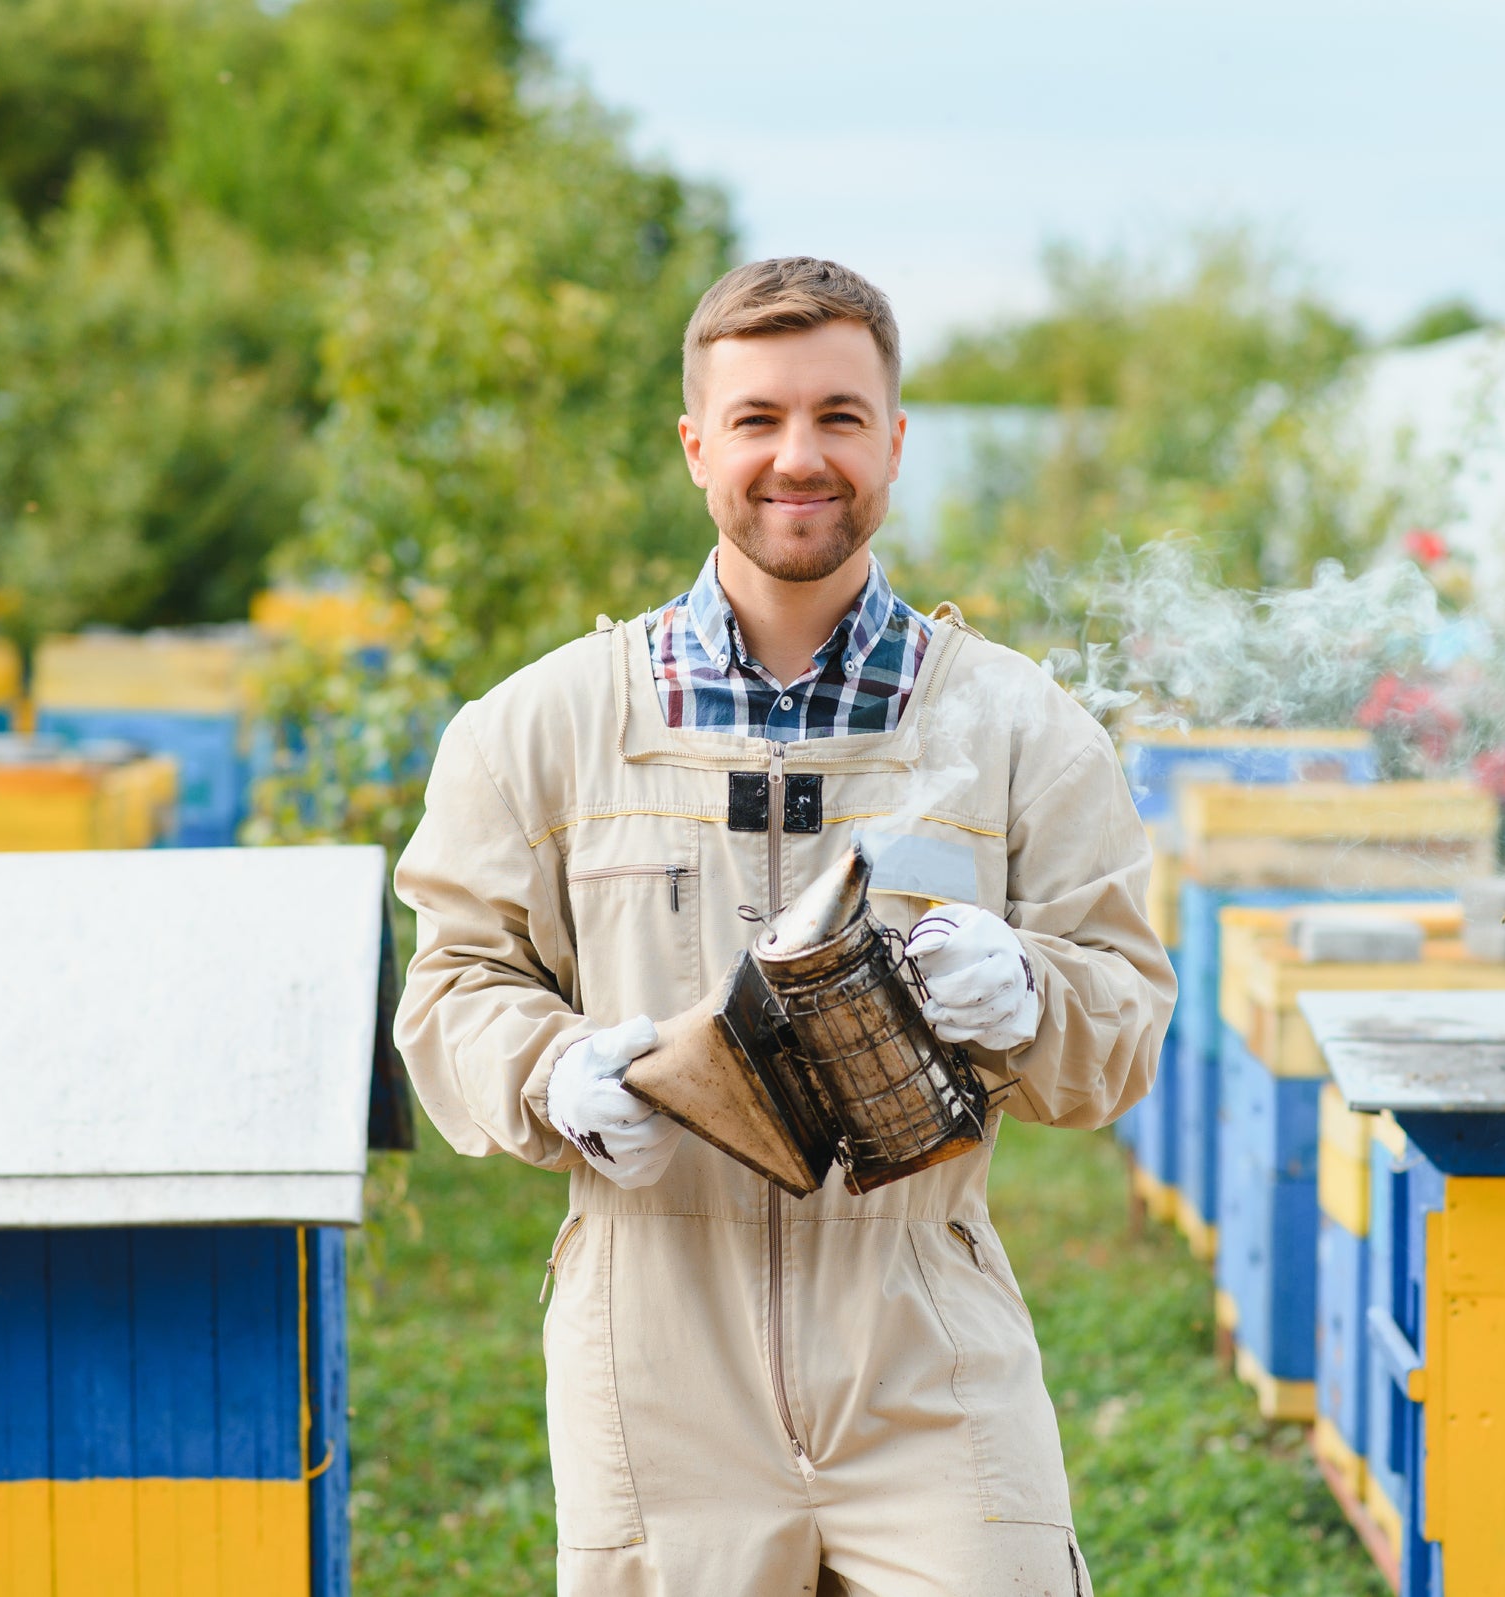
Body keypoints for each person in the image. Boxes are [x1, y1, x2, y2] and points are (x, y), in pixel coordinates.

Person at [396, 256, 1176, 1597]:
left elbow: (1126, 1007)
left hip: (925, 1352)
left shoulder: (1019, 724)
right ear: (697, 444)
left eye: (838, 415)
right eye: (757, 419)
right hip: (654, 1369)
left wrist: (1039, 993)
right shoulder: (541, 725)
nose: (797, 456)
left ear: (895, 441)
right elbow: (455, 982)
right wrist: (549, 1070)